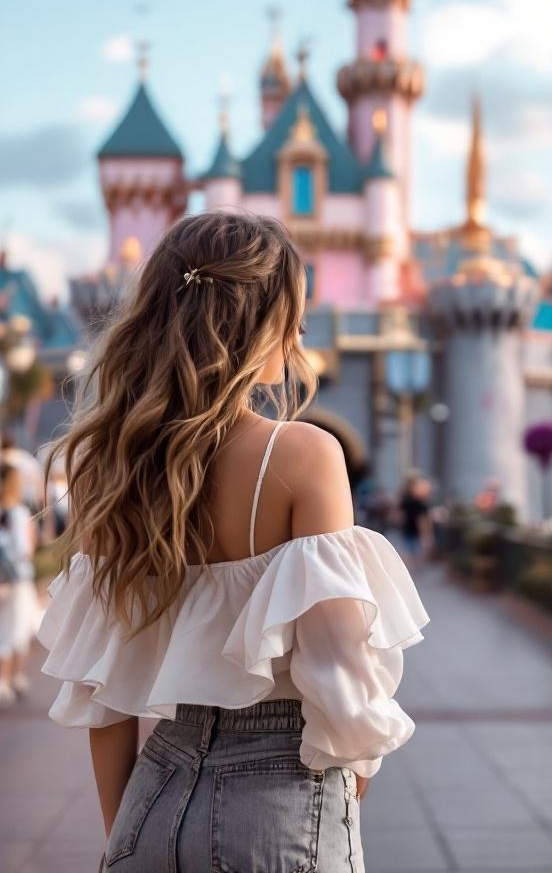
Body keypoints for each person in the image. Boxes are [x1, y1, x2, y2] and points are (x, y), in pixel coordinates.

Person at [36, 211, 430, 873]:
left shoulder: (115, 467)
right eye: (294, 314)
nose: (299, 334)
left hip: (148, 800)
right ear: (258, 322)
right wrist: (340, 804)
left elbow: (102, 698)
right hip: (280, 802)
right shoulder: (303, 454)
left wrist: (124, 841)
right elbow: (341, 680)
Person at [0, 461, 41, 705]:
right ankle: (10, 679)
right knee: (16, 631)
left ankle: (9, 679)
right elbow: (25, 550)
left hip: (6, 580)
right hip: (17, 580)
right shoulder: (18, 513)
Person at [397, 474, 434, 570]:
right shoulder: (420, 504)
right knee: (416, 556)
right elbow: (422, 521)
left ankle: (411, 571)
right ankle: (414, 571)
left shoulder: (405, 501)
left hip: (407, 531)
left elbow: (400, 516)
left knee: (410, 555)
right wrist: (426, 535)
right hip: (415, 532)